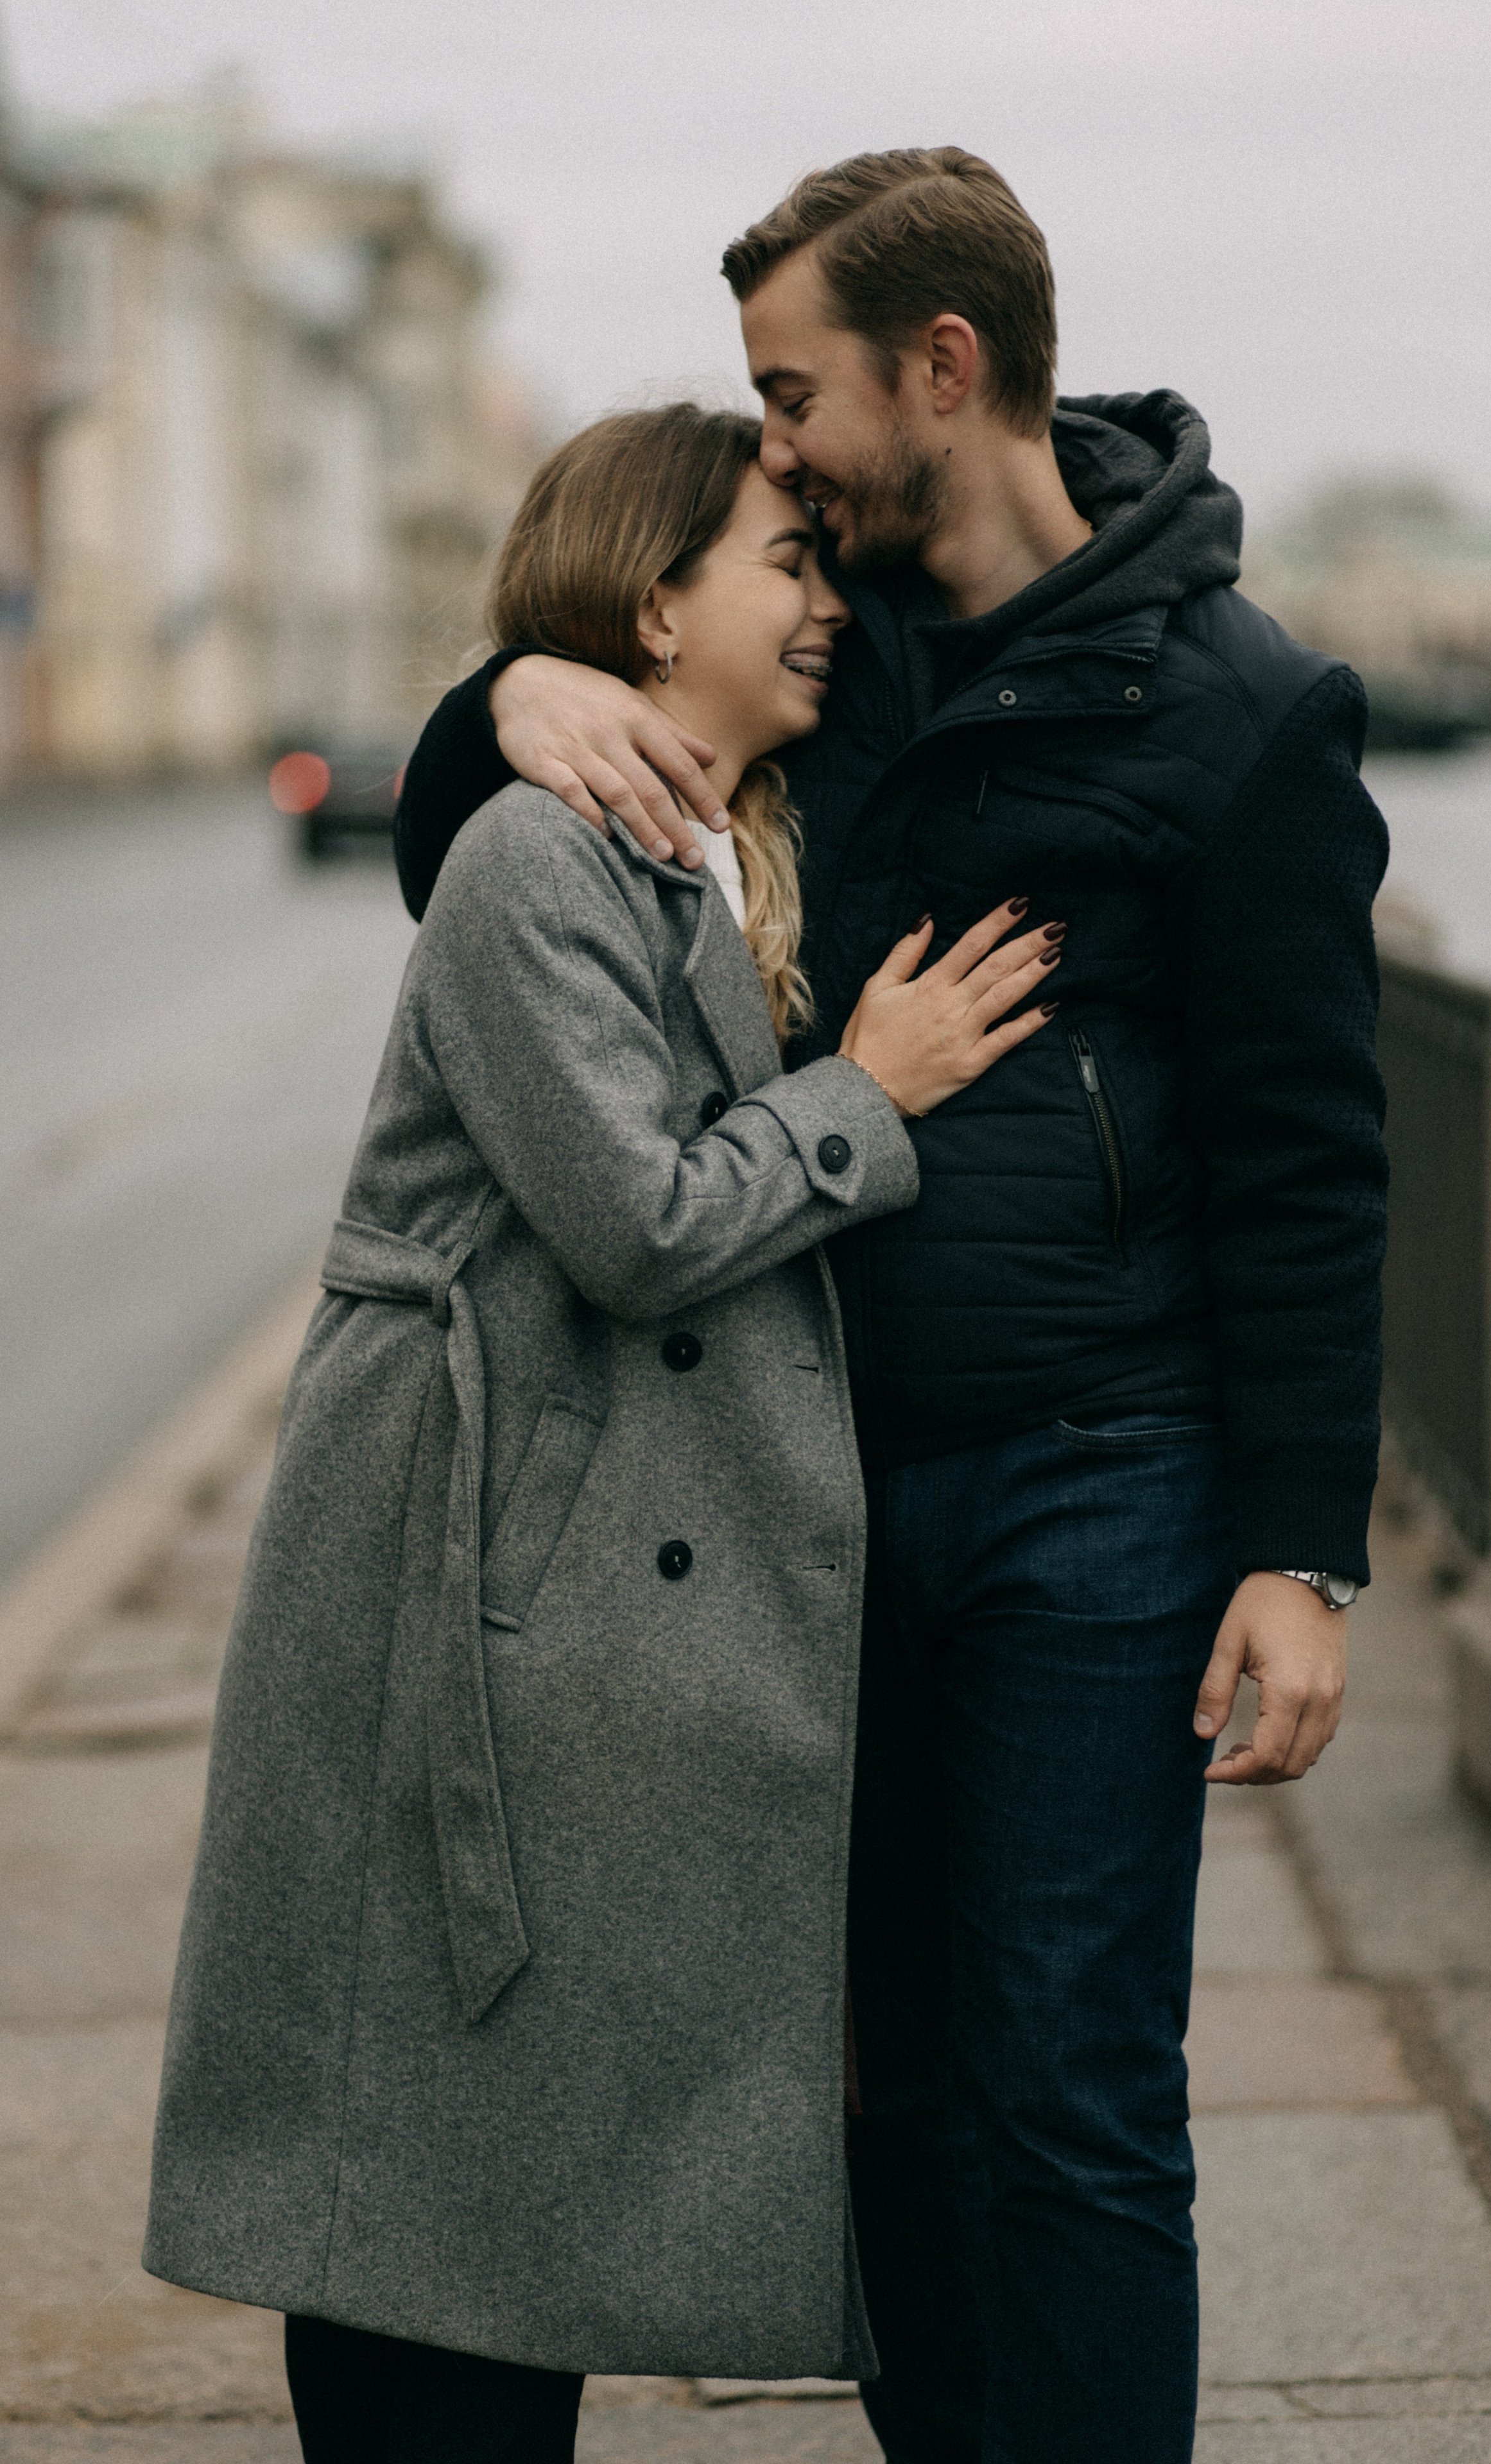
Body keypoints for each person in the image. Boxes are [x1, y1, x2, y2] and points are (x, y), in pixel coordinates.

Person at [395, 151, 1390, 2464]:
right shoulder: (811, 643)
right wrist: (517, 687)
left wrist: (1300, 1547)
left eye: (794, 391)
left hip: (1099, 1477)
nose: (777, 444)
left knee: (1067, 2078)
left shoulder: (1244, 711)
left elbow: (1311, 1160)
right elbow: (476, 867)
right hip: (801, 1480)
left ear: (943, 367)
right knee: (884, 2090)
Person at [142, 401, 1065, 2463]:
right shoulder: (531, 856)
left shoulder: (729, 838)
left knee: (499, 2167)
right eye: (784, 567)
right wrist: (874, 1092)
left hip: (589, 1586)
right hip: (468, 1569)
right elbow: (637, 1224)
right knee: (426, 2162)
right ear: (655, 608)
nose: (828, 606)